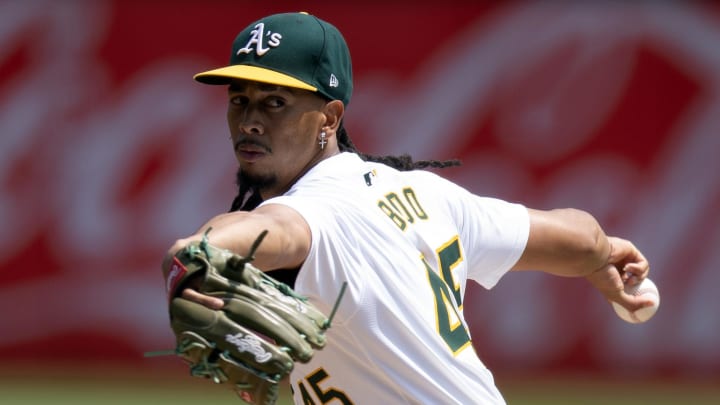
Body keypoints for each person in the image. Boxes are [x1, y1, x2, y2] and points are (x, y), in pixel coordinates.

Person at [162, 12, 652, 404]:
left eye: (274, 103)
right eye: (239, 99)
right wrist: (604, 254)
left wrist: (192, 257)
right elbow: (578, 237)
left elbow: (250, 236)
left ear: (330, 116)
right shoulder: (424, 193)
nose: (249, 120)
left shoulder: (319, 214)